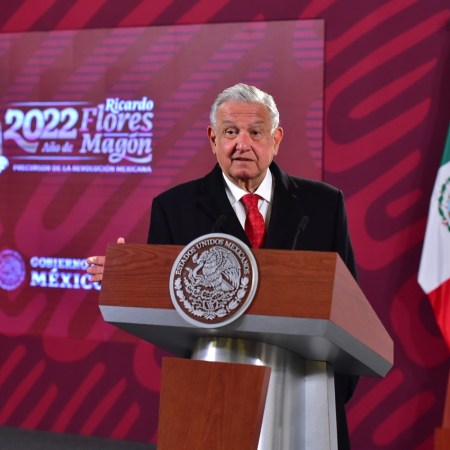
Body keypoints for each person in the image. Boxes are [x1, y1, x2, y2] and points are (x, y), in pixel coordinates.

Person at [87, 83, 358, 449]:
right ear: (213, 139)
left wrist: (330, 388)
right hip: (212, 394)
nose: (242, 144)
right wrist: (130, 278)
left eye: (255, 132)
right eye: (230, 132)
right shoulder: (174, 208)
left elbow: (348, 308)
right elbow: (165, 302)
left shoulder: (324, 205)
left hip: (305, 389)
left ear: (276, 139)